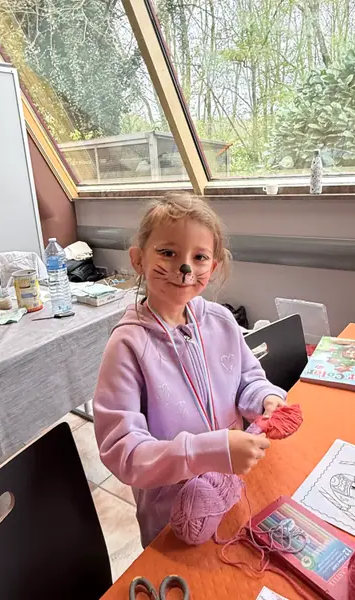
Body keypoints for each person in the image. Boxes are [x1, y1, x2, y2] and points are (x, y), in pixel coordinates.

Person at [93, 193, 287, 547]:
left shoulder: (221, 320)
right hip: (172, 518)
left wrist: (265, 398)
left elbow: (247, 378)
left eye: (199, 257)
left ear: (213, 267)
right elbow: (123, 452)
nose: (185, 268)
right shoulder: (128, 346)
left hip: (234, 487)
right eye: (168, 253)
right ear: (138, 259)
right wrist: (205, 451)